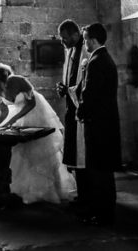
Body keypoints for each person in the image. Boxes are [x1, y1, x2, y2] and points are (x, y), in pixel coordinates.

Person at [0, 62, 75, 205]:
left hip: (36, 113)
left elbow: (31, 103)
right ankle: (18, 191)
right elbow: (4, 111)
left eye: (1, 86)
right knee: (18, 151)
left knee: (37, 150)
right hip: (20, 116)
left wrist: (13, 119)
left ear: (5, 79)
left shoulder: (18, 80)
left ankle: (44, 190)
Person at [74, 23, 121, 226]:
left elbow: (90, 93)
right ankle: (104, 210)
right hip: (106, 122)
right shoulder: (105, 59)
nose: (84, 44)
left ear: (92, 40)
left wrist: (80, 111)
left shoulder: (96, 61)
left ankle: (102, 213)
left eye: (85, 40)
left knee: (98, 170)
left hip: (98, 124)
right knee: (104, 170)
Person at [54, 19, 85, 201]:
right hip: (71, 109)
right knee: (74, 155)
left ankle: (86, 195)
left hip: (81, 111)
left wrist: (69, 90)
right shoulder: (71, 50)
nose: (62, 42)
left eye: (64, 38)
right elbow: (70, 78)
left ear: (75, 35)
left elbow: (84, 83)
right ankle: (81, 194)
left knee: (82, 156)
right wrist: (63, 88)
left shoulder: (85, 52)